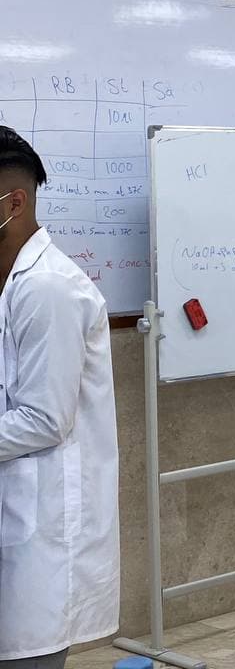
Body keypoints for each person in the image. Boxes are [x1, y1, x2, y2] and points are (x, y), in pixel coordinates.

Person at [0, 127, 119, 669]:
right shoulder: (12, 282)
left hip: (41, 530)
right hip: (17, 513)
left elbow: (45, 419)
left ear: (14, 203)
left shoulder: (48, 287)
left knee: (28, 653)